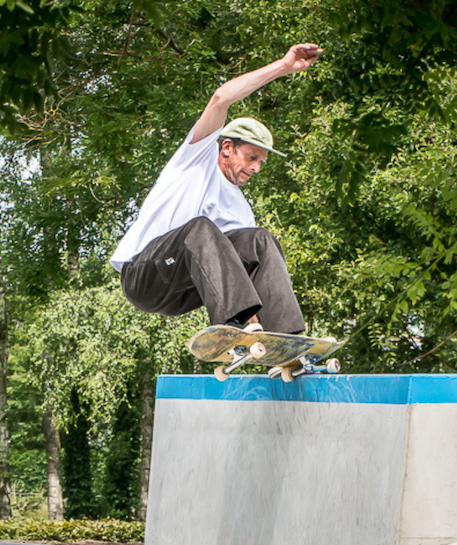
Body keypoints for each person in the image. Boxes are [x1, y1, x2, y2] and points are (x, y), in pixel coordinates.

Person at [109, 43, 323, 335]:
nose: (256, 168)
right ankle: (228, 327)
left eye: (261, 162)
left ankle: (287, 339)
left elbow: (243, 281)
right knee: (200, 228)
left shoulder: (241, 212)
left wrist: (257, 335)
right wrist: (284, 66)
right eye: (251, 158)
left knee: (260, 240)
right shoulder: (196, 159)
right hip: (144, 276)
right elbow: (221, 97)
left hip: (184, 292)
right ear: (226, 148)